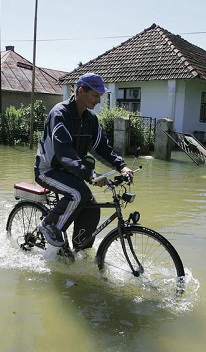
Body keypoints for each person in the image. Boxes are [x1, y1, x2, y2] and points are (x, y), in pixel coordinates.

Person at [34, 72, 133, 253]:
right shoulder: (60, 114)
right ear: (81, 91)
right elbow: (65, 154)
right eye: (95, 95)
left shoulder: (90, 120)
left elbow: (102, 148)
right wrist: (91, 175)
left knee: (92, 208)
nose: (98, 101)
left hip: (71, 172)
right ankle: (49, 225)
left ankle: (80, 249)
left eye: (100, 96)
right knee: (79, 193)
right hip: (48, 170)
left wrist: (121, 166)